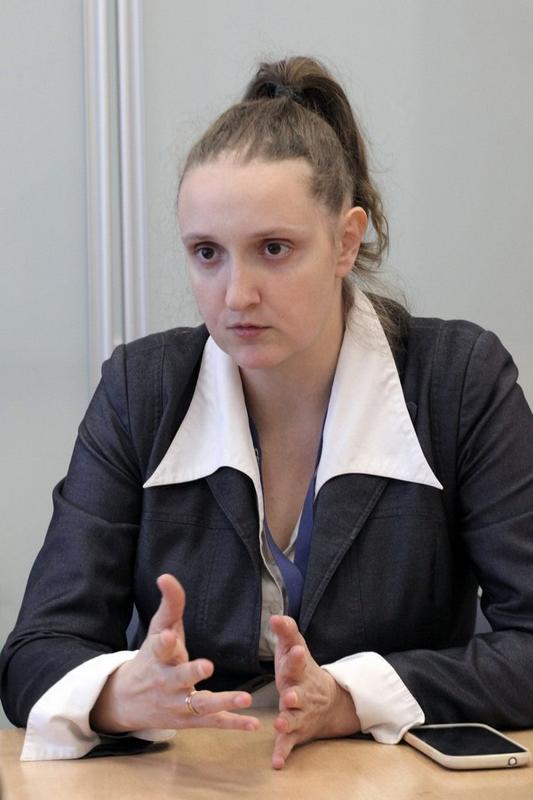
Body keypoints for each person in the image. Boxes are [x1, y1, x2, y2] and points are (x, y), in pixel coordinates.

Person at [1, 55, 533, 770]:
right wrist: (121, 694)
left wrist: (351, 696)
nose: (236, 294)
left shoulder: (457, 382)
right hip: (192, 779)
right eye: (207, 253)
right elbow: (35, 653)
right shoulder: (140, 390)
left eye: (274, 249)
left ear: (345, 241)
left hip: (386, 781)